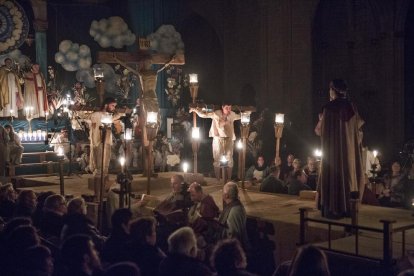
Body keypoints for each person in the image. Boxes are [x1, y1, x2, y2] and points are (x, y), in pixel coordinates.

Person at [315, 79, 365, 219]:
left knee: (333, 175)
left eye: (330, 89)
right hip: (349, 154)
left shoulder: (328, 108)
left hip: (333, 153)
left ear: (333, 90)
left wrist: (321, 119)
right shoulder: (352, 107)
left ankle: (333, 208)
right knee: (348, 175)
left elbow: (320, 132)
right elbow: (359, 128)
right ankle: (348, 208)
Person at [190, 103, 241, 180]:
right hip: (218, 139)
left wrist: (246, 114)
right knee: (217, 159)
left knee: (229, 159)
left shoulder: (232, 114)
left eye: (230, 108)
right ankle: (218, 180)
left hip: (229, 139)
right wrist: (196, 110)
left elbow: (239, 116)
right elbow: (204, 115)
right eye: (227, 108)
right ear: (222, 107)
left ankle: (229, 179)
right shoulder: (216, 114)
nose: (228, 110)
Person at [89, 97, 117, 199]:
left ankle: (103, 192)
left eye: (115, 106)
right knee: (99, 169)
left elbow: (115, 117)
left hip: (107, 143)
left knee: (105, 169)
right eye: (112, 105)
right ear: (106, 105)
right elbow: (93, 126)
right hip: (99, 143)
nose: (114, 108)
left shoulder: (108, 116)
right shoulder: (96, 115)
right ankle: (97, 194)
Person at [218, 182, 249, 250]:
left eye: (223, 191)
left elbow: (232, 234)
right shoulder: (233, 206)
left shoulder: (235, 211)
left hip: (234, 250)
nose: (222, 193)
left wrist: (218, 229)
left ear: (226, 195)